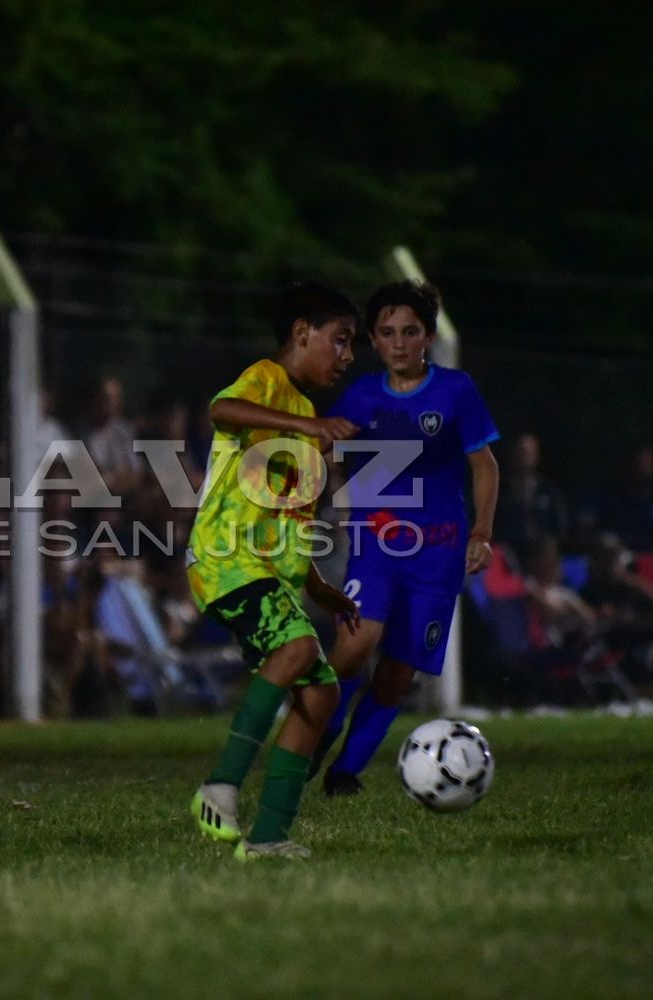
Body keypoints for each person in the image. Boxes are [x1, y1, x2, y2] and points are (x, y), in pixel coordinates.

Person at [186, 280, 361, 861]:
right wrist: (307, 430)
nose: (348, 356)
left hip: (262, 567)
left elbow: (292, 526)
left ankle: (267, 839)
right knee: (298, 652)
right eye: (340, 341)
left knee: (322, 695)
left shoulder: (307, 416)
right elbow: (221, 408)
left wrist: (321, 589)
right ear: (301, 333)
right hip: (224, 559)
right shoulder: (266, 380)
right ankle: (220, 786)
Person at [310, 280, 500, 796]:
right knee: (355, 646)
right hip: (375, 546)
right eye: (388, 332)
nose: (399, 343)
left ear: (429, 337)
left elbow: (484, 466)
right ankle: (314, 736)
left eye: (410, 332)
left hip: (437, 554)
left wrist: (480, 531)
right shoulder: (363, 395)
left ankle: (345, 771)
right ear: (373, 339)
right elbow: (331, 455)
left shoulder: (456, 391)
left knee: (397, 673)